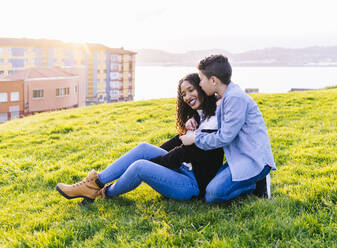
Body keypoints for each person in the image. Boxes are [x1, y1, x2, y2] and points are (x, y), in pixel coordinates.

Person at [56, 73, 223, 205]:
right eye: (183, 93)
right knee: (144, 148)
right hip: (186, 171)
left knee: (140, 167)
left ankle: (104, 192)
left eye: (191, 90)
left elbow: (178, 156)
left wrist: (151, 162)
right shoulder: (200, 116)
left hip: (192, 186)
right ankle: (94, 183)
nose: (187, 97)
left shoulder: (214, 120)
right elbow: (176, 144)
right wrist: (185, 132)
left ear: (202, 88)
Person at [179, 55, 277, 203]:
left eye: (201, 79)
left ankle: (257, 182)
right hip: (237, 158)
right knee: (209, 189)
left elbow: (224, 137)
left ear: (213, 80)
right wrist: (194, 119)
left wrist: (195, 138)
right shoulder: (224, 97)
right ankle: (250, 182)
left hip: (254, 160)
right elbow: (211, 119)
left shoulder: (235, 99)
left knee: (213, 195)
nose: (200, 83)